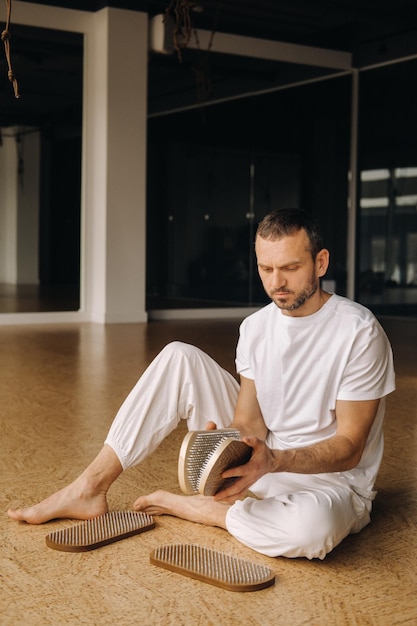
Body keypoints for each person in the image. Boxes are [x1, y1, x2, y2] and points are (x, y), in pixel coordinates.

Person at [8, 208, 395, 560]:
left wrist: (274, 460)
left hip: (329, 484)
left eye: (290, 268)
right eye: (265, 269)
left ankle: (212, 512)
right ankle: (90, 487)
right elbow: (250, 422)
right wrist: (226, 441)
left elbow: (350, 447)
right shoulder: (256, 328)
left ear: (320, 262)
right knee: (179, 356)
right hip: (264, 458)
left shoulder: (358, 332)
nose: (277, 282)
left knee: (311, 532)